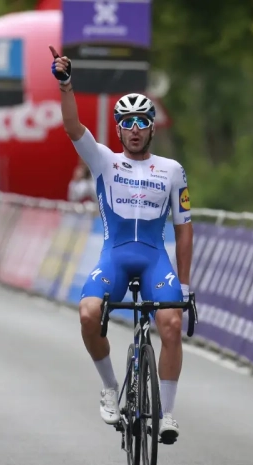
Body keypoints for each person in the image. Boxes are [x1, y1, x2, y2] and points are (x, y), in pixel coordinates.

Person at [49, 46, 193, 442]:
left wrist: (183, 287)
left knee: (172, 324)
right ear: (118, 129)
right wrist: (66, 86)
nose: (134, 128)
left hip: (154, 260)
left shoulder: (171, 171)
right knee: (88, 313)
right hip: (114, 256)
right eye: (126, 122)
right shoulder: (103, 161)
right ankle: (110, 387)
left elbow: (183, 229)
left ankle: (167, 413)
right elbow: (73, 126)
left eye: (141, 122)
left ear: (151, 127)